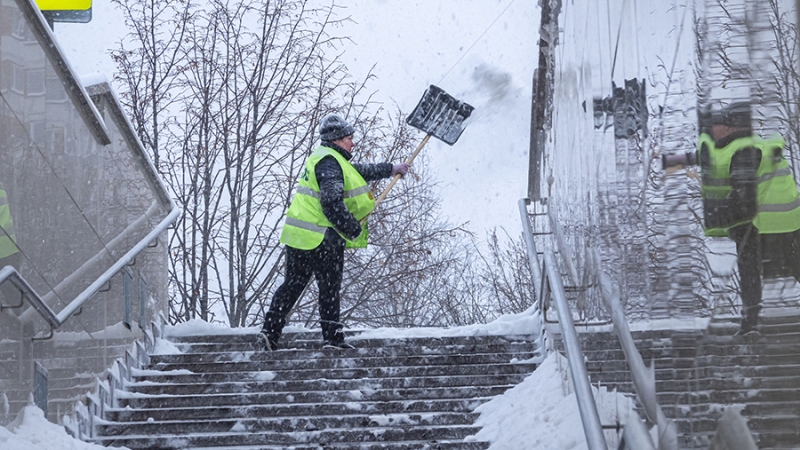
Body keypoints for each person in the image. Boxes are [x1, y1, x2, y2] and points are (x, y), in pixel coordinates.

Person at [258, 113, 409, 350]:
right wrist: (351, 228)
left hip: (300, 237)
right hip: (323, 239)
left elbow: (358, 171)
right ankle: (332, 339)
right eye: (349, 138)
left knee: (292, 286)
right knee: (329, 290)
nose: (353, 142)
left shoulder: (327, 158)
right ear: (337, 139)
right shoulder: (330, 162)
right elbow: (331, 202)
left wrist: (390, 169)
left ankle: (269, 333)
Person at [698, 102, 800, 334]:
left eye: (717, 123)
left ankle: (751, 324)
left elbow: (741, 202)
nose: (712, 129)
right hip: (786, 219)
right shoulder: (747, 146)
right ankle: (751, 322)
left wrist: (711, 217)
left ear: (731, 128)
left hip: (764, 221)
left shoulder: (743, 151)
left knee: (750, 272)